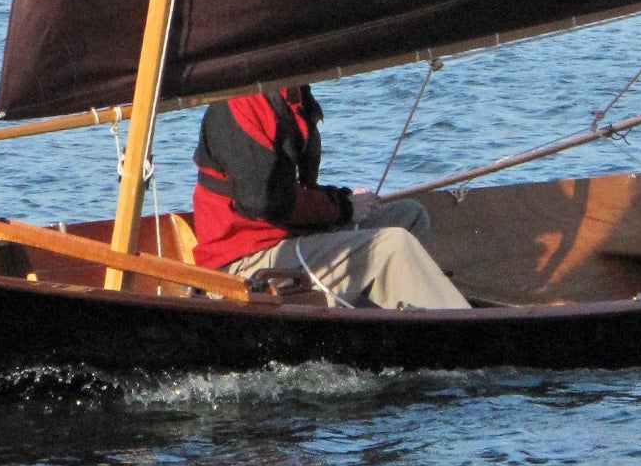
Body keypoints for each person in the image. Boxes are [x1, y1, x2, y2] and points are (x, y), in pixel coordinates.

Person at [191, 84, 470, 310]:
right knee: (392, 244)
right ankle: (469, 335)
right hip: (245, 263)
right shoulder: (241, 103)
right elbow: (267, 200)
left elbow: (294, 189)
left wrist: (342, 199)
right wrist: (344, 208)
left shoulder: (293, 97)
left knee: (409, 217)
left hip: (288, 240)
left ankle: (384, 319)